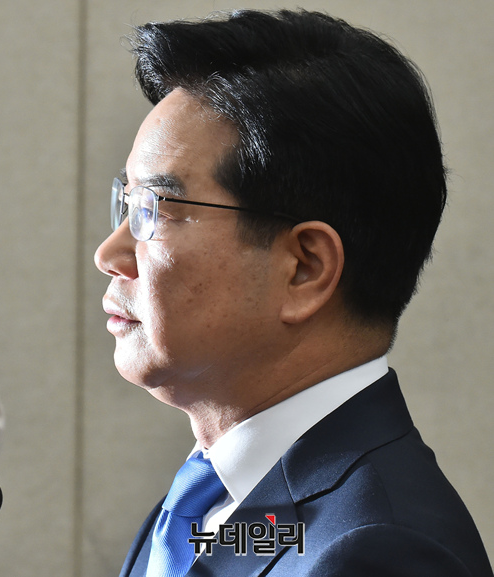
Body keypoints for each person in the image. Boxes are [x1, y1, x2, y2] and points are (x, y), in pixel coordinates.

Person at [94, 9, 492, 577]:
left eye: (155, 209)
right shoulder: (210, 502)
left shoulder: (379, 551)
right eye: (128, 203)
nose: (109, 254)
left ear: (304, 269)